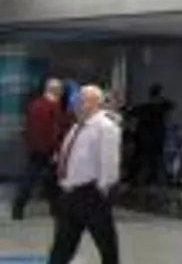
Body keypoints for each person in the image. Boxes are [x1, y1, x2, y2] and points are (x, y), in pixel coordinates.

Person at [47, 85, 121, 264]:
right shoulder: (77, 126)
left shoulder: (105, 127)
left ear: (93, 103)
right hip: (71, 195)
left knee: (106, 245)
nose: (76, 104)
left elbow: (109, 163)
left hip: (91, 194)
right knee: (62, 245)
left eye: (81, 101)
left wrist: (101, 191)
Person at [12, 78, 69, 220]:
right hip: (48, 149)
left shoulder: (34, 104)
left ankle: (18, 208)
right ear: (55, 90)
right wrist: (56, 149)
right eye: (60, 90)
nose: (62, 92)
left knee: (31, 178)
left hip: (34, 147)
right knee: (52, 180)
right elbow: (55, 130)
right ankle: (56, 209)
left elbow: (28, 127)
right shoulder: (54, 107)